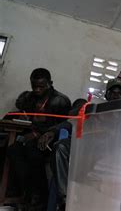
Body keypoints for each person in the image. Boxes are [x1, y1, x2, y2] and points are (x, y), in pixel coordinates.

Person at [51, 78, 121, 210]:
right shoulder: (97, 110)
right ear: (106, 95)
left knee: (96, 152)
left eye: (119, 92)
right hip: (87, 145)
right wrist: (53, 131)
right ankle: (65, 199)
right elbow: (71, 122)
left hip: (111, 152)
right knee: (61, 147)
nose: (115, 95)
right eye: (112, 92)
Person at [7, 68, 71, 210]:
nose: (37, 90)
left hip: (49, 140)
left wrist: (39, 133)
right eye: (34, 86)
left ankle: (40, 196)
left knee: (32, 151)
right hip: (30, 137)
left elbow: (63, 125)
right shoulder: (29, 98)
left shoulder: (60, 100)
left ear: (50, 83)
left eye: (41, 87)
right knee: (12, 149)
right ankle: (28, 192)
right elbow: (24, 114)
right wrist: (22, 118)